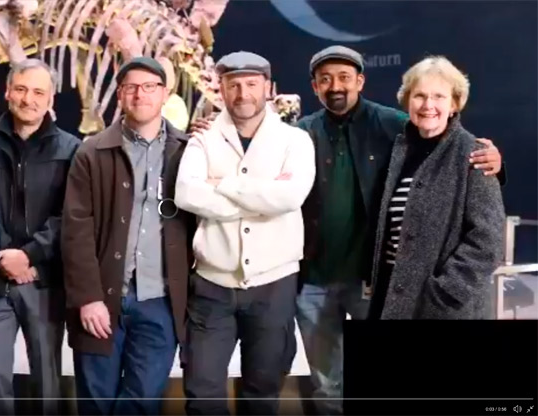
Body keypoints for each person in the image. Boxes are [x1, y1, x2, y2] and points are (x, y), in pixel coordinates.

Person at [187, 45, 505, 416]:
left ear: (361, 81)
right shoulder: (299, 134)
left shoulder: (396, 127)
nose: (335, 86)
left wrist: (495, 163)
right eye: (325, 79)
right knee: (326, 383)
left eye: (344, 77)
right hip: (315, 280)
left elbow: (453, 158)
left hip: (375, 283)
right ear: (314, 87)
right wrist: (205, 130)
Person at [175, 51, 316, 416]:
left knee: (262, 392)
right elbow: (187, 194)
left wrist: (221, 184)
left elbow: (290, 197)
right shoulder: (202, 138)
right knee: (202, 393)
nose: (242, 94)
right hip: (211, 286)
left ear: (268, 88)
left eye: (251, 84)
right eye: (233, 85)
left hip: (274, 284)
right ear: (220, 89)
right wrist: (261, 199)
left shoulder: (295, 140)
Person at [61, 56, 195, 415]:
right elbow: (76, 230)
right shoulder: (91, 151)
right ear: (120, 94)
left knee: (143, 400)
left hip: (160, 301)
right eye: (131, 87)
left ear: (165, 93)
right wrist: (88, 298)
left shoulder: (189, 152)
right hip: (102, 299)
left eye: (150, 87)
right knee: (96, 401)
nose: (140, 94)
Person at [0, 58, 81, 415]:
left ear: (50, 99)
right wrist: (5, 256)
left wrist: (30, 255)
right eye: (20, 89)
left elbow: (70, 215)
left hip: (44, 280)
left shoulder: (72, 150)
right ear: (7, 92)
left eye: (38, 92)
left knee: (47, 379)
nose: (28, 99)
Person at [368, 56, 505, 319]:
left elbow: (488, 241)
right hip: (390, 296)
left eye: (439, 96)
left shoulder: (474, 153)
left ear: (454, 104)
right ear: (408, 101)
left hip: (442, 307)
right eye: (419, 96)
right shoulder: (398, 152)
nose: (428, 105)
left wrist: (446, 292)